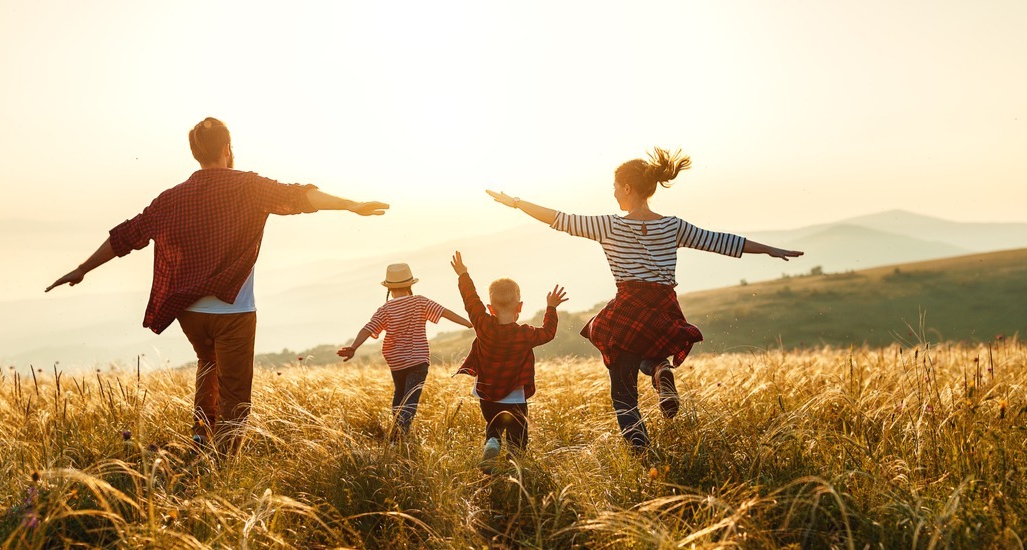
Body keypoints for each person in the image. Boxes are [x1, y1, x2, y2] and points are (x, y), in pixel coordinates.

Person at [46, 117, 389, 455]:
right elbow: (300, 196)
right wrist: (351, 205)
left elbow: (127, 235)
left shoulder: (171, 199)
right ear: (227, 149)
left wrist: (82, 268)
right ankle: (223, 461)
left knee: (208, 365)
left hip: (189, 313)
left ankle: (200, 438)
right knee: (235, 392)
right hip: (234, 312)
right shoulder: (248, 186)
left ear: (196, 153)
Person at [486, 147, 802, 453]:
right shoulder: (673, 225)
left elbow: (558, 218)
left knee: (623, 394)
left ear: (627, 187)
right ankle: (660, 371)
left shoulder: (609, 225)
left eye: (614, 187)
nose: (613, 194)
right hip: (664, 307)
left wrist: (516, 203)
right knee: (647, 352)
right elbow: (721, 241)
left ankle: (642, 453)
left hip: (628, 306)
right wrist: (771, 250)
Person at [449, 251, 565, 472]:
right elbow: (548, 332)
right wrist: (551, 307)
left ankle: (492, 442)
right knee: (517, 436)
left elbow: (470, 300)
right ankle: (515, 467)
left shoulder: (483, 324)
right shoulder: (525, 334)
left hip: (487, 393)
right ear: (519, 307)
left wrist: (463, 274)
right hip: (515, 396)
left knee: (493, 427)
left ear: (490, 308)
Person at [336, 263, 472, 440]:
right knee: (410, 399)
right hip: (418, 360)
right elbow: (445, 312)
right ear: (410, 285)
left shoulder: (385, 310)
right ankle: (400, 437)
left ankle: (395, 435)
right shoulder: (420, 302)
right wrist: (469, 323)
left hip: (396, 362)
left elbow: (368, 329)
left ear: (390, 289)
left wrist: (353, 347)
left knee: (399, 396)